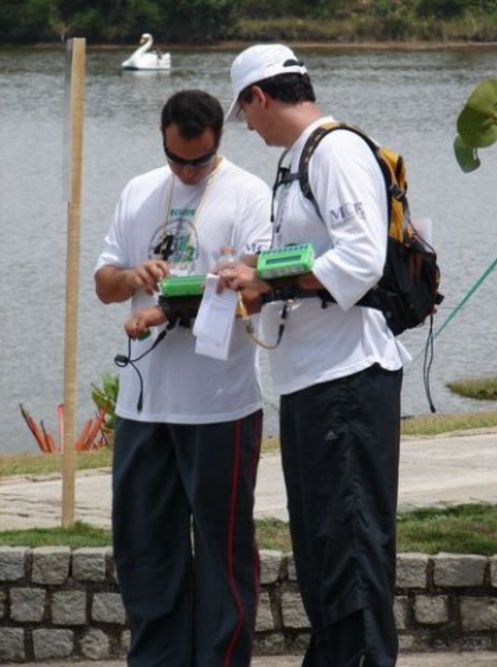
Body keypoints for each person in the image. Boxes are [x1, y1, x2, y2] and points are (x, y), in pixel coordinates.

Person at [222, 44, 411, 667]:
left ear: (260, 97)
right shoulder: (295, 162)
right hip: (311, 377)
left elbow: (361, 260)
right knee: (323, 549)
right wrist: (252, 271)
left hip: (348, 379)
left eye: (245, 113)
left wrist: (266, 282)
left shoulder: (335, 151)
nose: (247, 127)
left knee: (350, 549)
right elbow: (303, 258)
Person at [94, 89, 272, 667]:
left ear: (218, 140)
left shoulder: (247, 193)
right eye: (177, 159)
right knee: (145, 551)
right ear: (164, 139)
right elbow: (104, 283)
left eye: (198, 160)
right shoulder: (141, 189)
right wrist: (133, 278)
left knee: (223, 554)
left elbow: (254, 292)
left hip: (219, 405)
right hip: (146, 406)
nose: (187, 170)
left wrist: (166, 308)